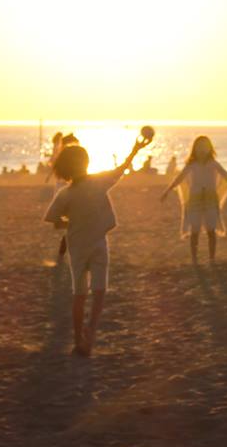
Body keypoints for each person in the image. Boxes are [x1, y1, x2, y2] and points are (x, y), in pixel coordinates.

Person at [44, 134, 151, 355]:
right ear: (86, 163)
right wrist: (135, 150)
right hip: (98, 243)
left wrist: (70, 221)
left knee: (79, 294)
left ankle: (77, 340)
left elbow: (53, 220)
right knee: (99, 291)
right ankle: (90, 332)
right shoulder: (98, 183)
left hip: (77, 247)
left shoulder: (66, 193)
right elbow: (121, 170)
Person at [161, 136, 227, 262]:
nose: (202, 149)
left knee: (211, 231)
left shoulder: (213, 163)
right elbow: (180, 178)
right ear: (195, 149)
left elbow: (226, 176)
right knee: (195, 231)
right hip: (195, 200)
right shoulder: (191, 164)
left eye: (205, 146)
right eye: (199, 147)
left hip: (210, 200)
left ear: (210, 148)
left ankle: (212, 259)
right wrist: (167, 190)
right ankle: (194, 259)